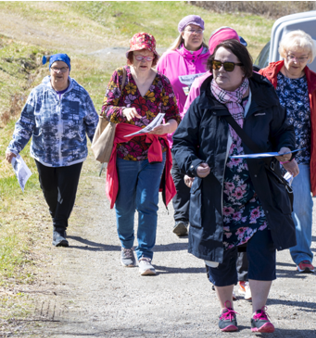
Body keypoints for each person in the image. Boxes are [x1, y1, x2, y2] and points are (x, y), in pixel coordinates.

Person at [172, 38, 296, 334]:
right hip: (216, 193)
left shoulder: (264, 97)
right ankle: (227, 310)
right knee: (219, 252)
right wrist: (194, 165)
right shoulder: (203, 101)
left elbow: (284, 131)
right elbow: (181, 143)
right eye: (215, 65)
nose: (219, 71)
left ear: (245, 69)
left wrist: (287, 149)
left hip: (259, 191)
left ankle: (259, 313)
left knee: (262, 249)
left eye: (228, 65)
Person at [260, 30, 316, 273]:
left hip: (300, 158)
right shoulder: (266, 78)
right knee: (264, 206)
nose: (296, 61)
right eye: (292, 55)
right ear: (283, 54)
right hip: (268, 157)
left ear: (309, 58)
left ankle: (302, 256)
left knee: (301, 207)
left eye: (302, 56)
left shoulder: (315, 82)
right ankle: (262, 255)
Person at [101, 32, 180, 276]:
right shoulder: (121, 76)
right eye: (139, 55)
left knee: (147, 203)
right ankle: (127, 246)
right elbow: (105, 109)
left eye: (148, 55)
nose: (143, 60)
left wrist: (167, 128)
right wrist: (122, 112)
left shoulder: (163, 82)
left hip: (153, 153)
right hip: (125, 151)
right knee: (124, 205)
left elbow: (174, 115)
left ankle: (145, 254)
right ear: (131, 56)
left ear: (154, 57)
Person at [5, 54, 97, 247]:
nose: (59, 72)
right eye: (55, 68)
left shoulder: (80, 94)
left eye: (63, 68)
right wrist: (14, 147)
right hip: (43, 154)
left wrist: (101, 149)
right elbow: (25, 124)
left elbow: (93, 124)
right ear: (50, 70)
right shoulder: (38, 93)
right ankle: (56, 214)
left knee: (67, 192)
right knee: (48, 189)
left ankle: (59, 228)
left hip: (73, 155)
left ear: (69, 70)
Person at [156, 14, 209, 238]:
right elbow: (156, 88)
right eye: (190, 29)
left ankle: (200, 216)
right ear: (182, 33)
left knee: (202, 169)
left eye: (199, 29)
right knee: (178, 170)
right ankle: (181, 217)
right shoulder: (168, 58)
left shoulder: (212, 57)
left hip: (205, 126)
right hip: (176, 124)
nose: (195, 33)